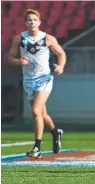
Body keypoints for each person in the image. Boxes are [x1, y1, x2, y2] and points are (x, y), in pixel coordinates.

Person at [8, 9, 66, 158]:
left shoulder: (47, 38)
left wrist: (60, 66)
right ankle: (55, 133)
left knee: (35, 111)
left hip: (44, 78)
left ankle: (37, 147)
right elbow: (10, 58)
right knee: (42, 113)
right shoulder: (19, 39)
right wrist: (18, 61)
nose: (32, 22)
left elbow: (61, 53)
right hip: (29, 80)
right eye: (29, 20)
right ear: (25, 22)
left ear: (39, 22)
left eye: (35, 20)